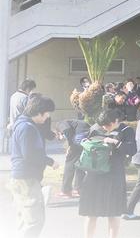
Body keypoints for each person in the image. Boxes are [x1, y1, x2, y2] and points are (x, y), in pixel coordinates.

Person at [80, 110, 137, 238]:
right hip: (94, 174)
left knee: (113, 213)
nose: (104, 128)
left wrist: (116, 142)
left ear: (116, 121)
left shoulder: (126, 130)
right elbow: (83, 143)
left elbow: (132, 149)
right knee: (91, 212)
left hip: (114, 175)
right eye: (102, 125)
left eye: (107, 125)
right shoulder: (95, 128)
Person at [9, 95, 58, 238]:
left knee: (24, 220)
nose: (47, 117)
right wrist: (50, 161)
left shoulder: (23, 123)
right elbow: (30, 155)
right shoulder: (27, 128)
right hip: (27, 179)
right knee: (34, 221)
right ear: (39, 112)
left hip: (21, 177)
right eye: (47, 114)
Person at [57, 116, 90, 198]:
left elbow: (67, 130)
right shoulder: (73, 122)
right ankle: (78, 189)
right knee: (80, 163)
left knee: (69, 163)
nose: (62, 138)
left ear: (58, 132)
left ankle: (66, 191)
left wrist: (70, 146)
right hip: (86, 135)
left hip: (79, 136)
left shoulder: (60, 124)